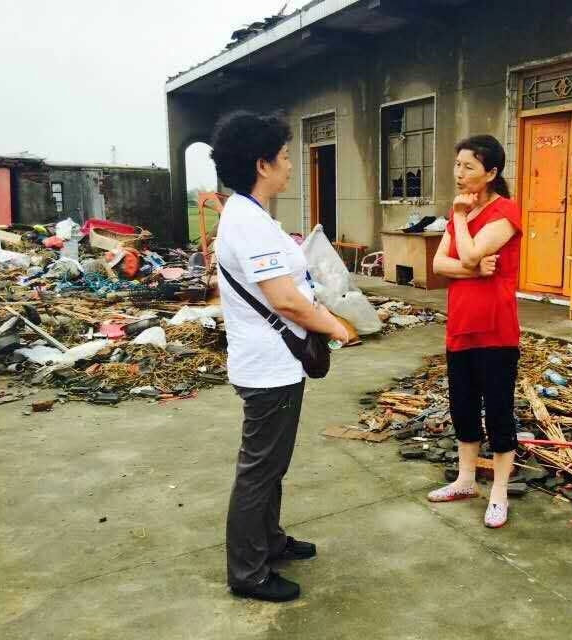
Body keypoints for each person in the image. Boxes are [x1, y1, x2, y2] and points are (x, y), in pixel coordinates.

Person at [210, 111, 349, 602]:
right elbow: (286, 300)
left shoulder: (251, 214)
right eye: (286, 156)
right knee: (260, 469)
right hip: (268, 367)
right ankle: (248, 572)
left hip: (276, 363)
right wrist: (336, 326)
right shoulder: (247, 222)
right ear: (262, 164)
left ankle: (268, 541)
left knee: (271, 465)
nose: (291, 165)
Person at [428, 135, 522, 529]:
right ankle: (465, 480)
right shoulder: (460, 214)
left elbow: (465, 254)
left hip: (496, 330)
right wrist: (474, 269)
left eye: (469, 166)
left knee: (498, 411)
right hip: (461, 326)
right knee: (463, 406)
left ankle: (499, 492)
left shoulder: (505, 212)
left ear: (491, 172)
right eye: (457, 165)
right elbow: (439, 265)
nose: (460, 173)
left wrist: (461, 220)